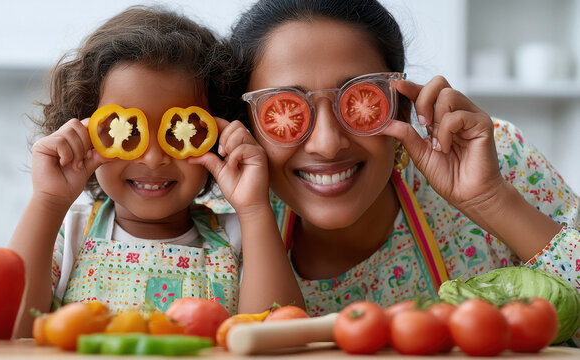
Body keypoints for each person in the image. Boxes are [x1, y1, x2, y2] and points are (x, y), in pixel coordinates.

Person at [216, 0, 579, 336]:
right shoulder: (220, 231)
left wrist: (491, 199)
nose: (327, 144)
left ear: (401, 109)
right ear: (247, 128)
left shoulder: (493, 159)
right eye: (284, 110)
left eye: (360, 100)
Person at [8, 5, 302, 338]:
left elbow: (279, 339)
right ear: (85, 130)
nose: (152, 158)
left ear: (216, 134)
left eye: (180, 131)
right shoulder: (68, 235)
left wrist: (253, 208)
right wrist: (48, 201)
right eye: (127, 131)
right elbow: (9, 332)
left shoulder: (242, 238)